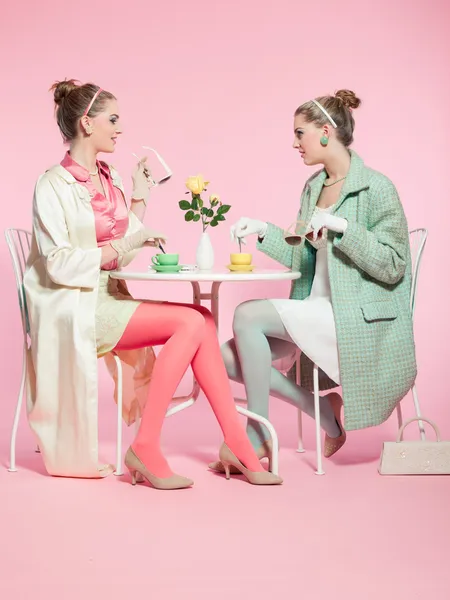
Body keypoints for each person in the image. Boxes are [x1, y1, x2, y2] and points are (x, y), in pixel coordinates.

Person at [23, 79, 282, 488]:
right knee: (192, 323)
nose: (119, 128)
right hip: (76, 306)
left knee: (202, 318)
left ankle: (234, 442)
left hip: (108, 294)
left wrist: (139, 198)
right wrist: (131, 238)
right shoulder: (52, 184)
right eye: (113, 119)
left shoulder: (108, 179)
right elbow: (58, 264)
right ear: (87, 124)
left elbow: (122, 255)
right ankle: (147, 446)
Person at [210, 89, 416, 473]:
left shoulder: (376, 188)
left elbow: (393, 265)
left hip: (353, 319)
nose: (294, 143)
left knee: (247, 315)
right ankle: (324, 412)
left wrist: (344, 228)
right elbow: (301, 258)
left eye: (299, 133)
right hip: (314, 307)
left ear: (325, 132)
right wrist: (262, 231)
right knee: (221, 358)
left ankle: (256, 434)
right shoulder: (313, 187)